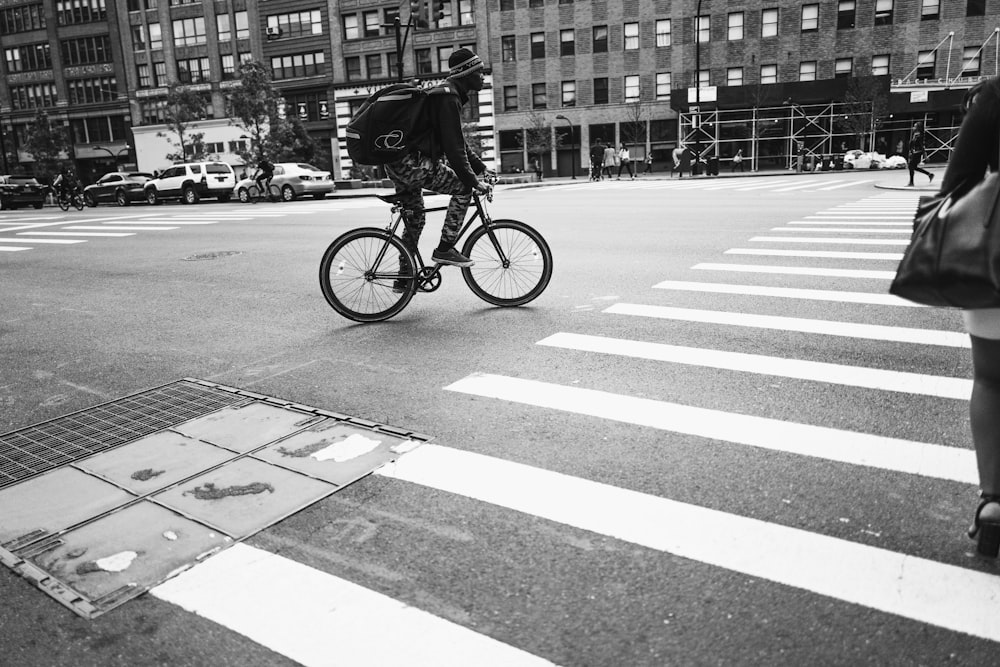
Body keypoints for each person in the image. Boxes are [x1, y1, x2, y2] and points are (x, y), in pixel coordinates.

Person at [940, 78, 1000, 557]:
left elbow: (957, 184)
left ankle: (993, 504)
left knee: (993, 381)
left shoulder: (996, 96)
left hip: (996, 254)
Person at [383, 47, 493, 277]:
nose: (483, 76)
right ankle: (445, 249)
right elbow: (454, 150)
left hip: (399, 162)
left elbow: (457, 143)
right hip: (411, 163)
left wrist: (482, 168)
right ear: (467, 73)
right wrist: (473, 181)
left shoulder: (447, 94)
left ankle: (404, 278)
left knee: (415, 218)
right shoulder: (448, 97)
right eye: (480, 71)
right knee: (463, 189)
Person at [906, 121, 934, 187]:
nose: (913, 127)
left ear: (918, 128)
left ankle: (911, 182)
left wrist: (925, 155)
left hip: (917, 152)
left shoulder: (919, 135)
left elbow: (922, 146)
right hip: (914, 152)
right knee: (913, 167)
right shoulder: (915, 134)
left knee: (911, 166)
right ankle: (929, 174)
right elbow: (912, 144)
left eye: (915, 126)